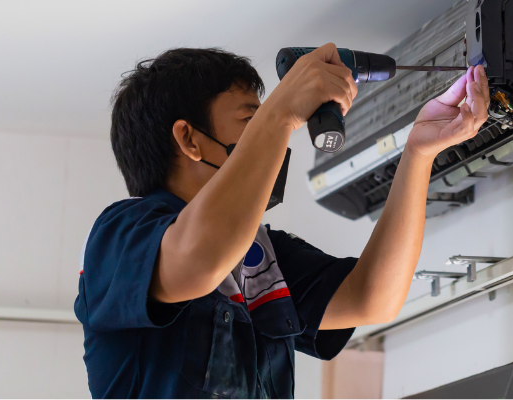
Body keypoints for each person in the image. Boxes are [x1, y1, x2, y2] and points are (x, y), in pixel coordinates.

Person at [74, 44, 489, 398]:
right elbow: (199, 259)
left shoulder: (261, 256)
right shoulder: (119, 235)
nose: (270, 140)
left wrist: (418, 154)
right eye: (250, 121)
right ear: (189, 139)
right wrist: (279, 114)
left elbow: (371, 296)